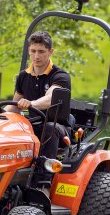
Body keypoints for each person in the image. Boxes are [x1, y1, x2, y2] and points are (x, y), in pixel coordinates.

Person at [9, 31, 71, 186]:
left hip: (58, 126)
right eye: (33, 51)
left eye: (41, 52)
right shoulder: (23, 76)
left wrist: (31, 104)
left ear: (50, 52)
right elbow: (14, 106)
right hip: (32, 124)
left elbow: (51, 98)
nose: (36, 56)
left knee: (50, 128)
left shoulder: (60, 76)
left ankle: (42, 184)